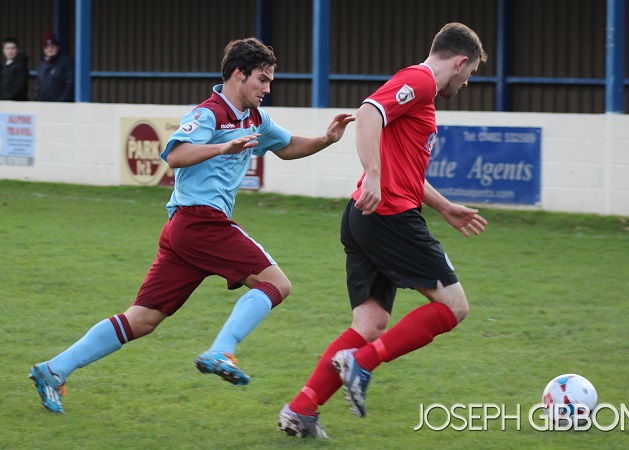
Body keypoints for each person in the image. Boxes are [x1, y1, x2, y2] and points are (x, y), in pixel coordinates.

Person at [28, 37, 355, 413]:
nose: (267, 88)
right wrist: (222, 147)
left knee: (143, 319)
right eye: (262, 80)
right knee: (277, 284)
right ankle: (221, 351)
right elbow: (176, 155)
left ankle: (53, 369)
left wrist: (327, 139)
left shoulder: (255, 118)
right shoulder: (209, 114)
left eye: (269, 81)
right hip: (201, 221)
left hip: (185, 231)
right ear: (239, 74)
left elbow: (288, 146)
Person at [278, 22, 489, 439]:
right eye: (470, 73)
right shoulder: (421, 81)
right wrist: (373, 173)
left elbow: (406, 168)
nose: (467, 82)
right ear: (460, 62)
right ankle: (363, 362)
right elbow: (369, 112)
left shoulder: (422, 95)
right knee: (454, 307)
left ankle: (301, 409)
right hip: (390, 216)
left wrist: (445, 206)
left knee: (370, 324)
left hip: (365, 218)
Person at [35, 31, 74, 102]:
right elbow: (38, 84)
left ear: (57, 47)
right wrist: (39, 98)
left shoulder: (65, 62)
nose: (49, 50)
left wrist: (62, 100)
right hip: (44, 103)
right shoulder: (42, 63)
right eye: (46, 47)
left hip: (60, 104)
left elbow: (70, 83)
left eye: (52, 47)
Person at [0, 36, 29, 101]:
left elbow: (20, 86)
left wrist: (5, 98)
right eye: (7, 48)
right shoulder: (4, 66)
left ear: (17, 50)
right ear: (3, 50)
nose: (10, 51)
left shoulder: (21, 66)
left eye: (13, 48)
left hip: (16, 102)